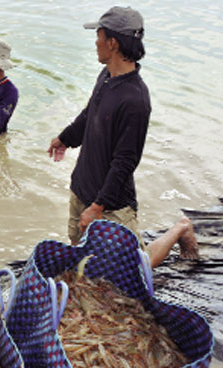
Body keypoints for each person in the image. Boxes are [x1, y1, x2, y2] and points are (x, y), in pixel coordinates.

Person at [47, 6, 199, 268]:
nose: (96, 43)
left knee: (136, 269)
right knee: (80, 261)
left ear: (113, 42)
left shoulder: (135, 99)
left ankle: (180, 230)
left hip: (112, 203)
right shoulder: (106, 75)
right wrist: (64, 138)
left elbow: (125, 161)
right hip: (81, 187)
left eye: (99, 36)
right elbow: (89, 114)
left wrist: (97, 207)